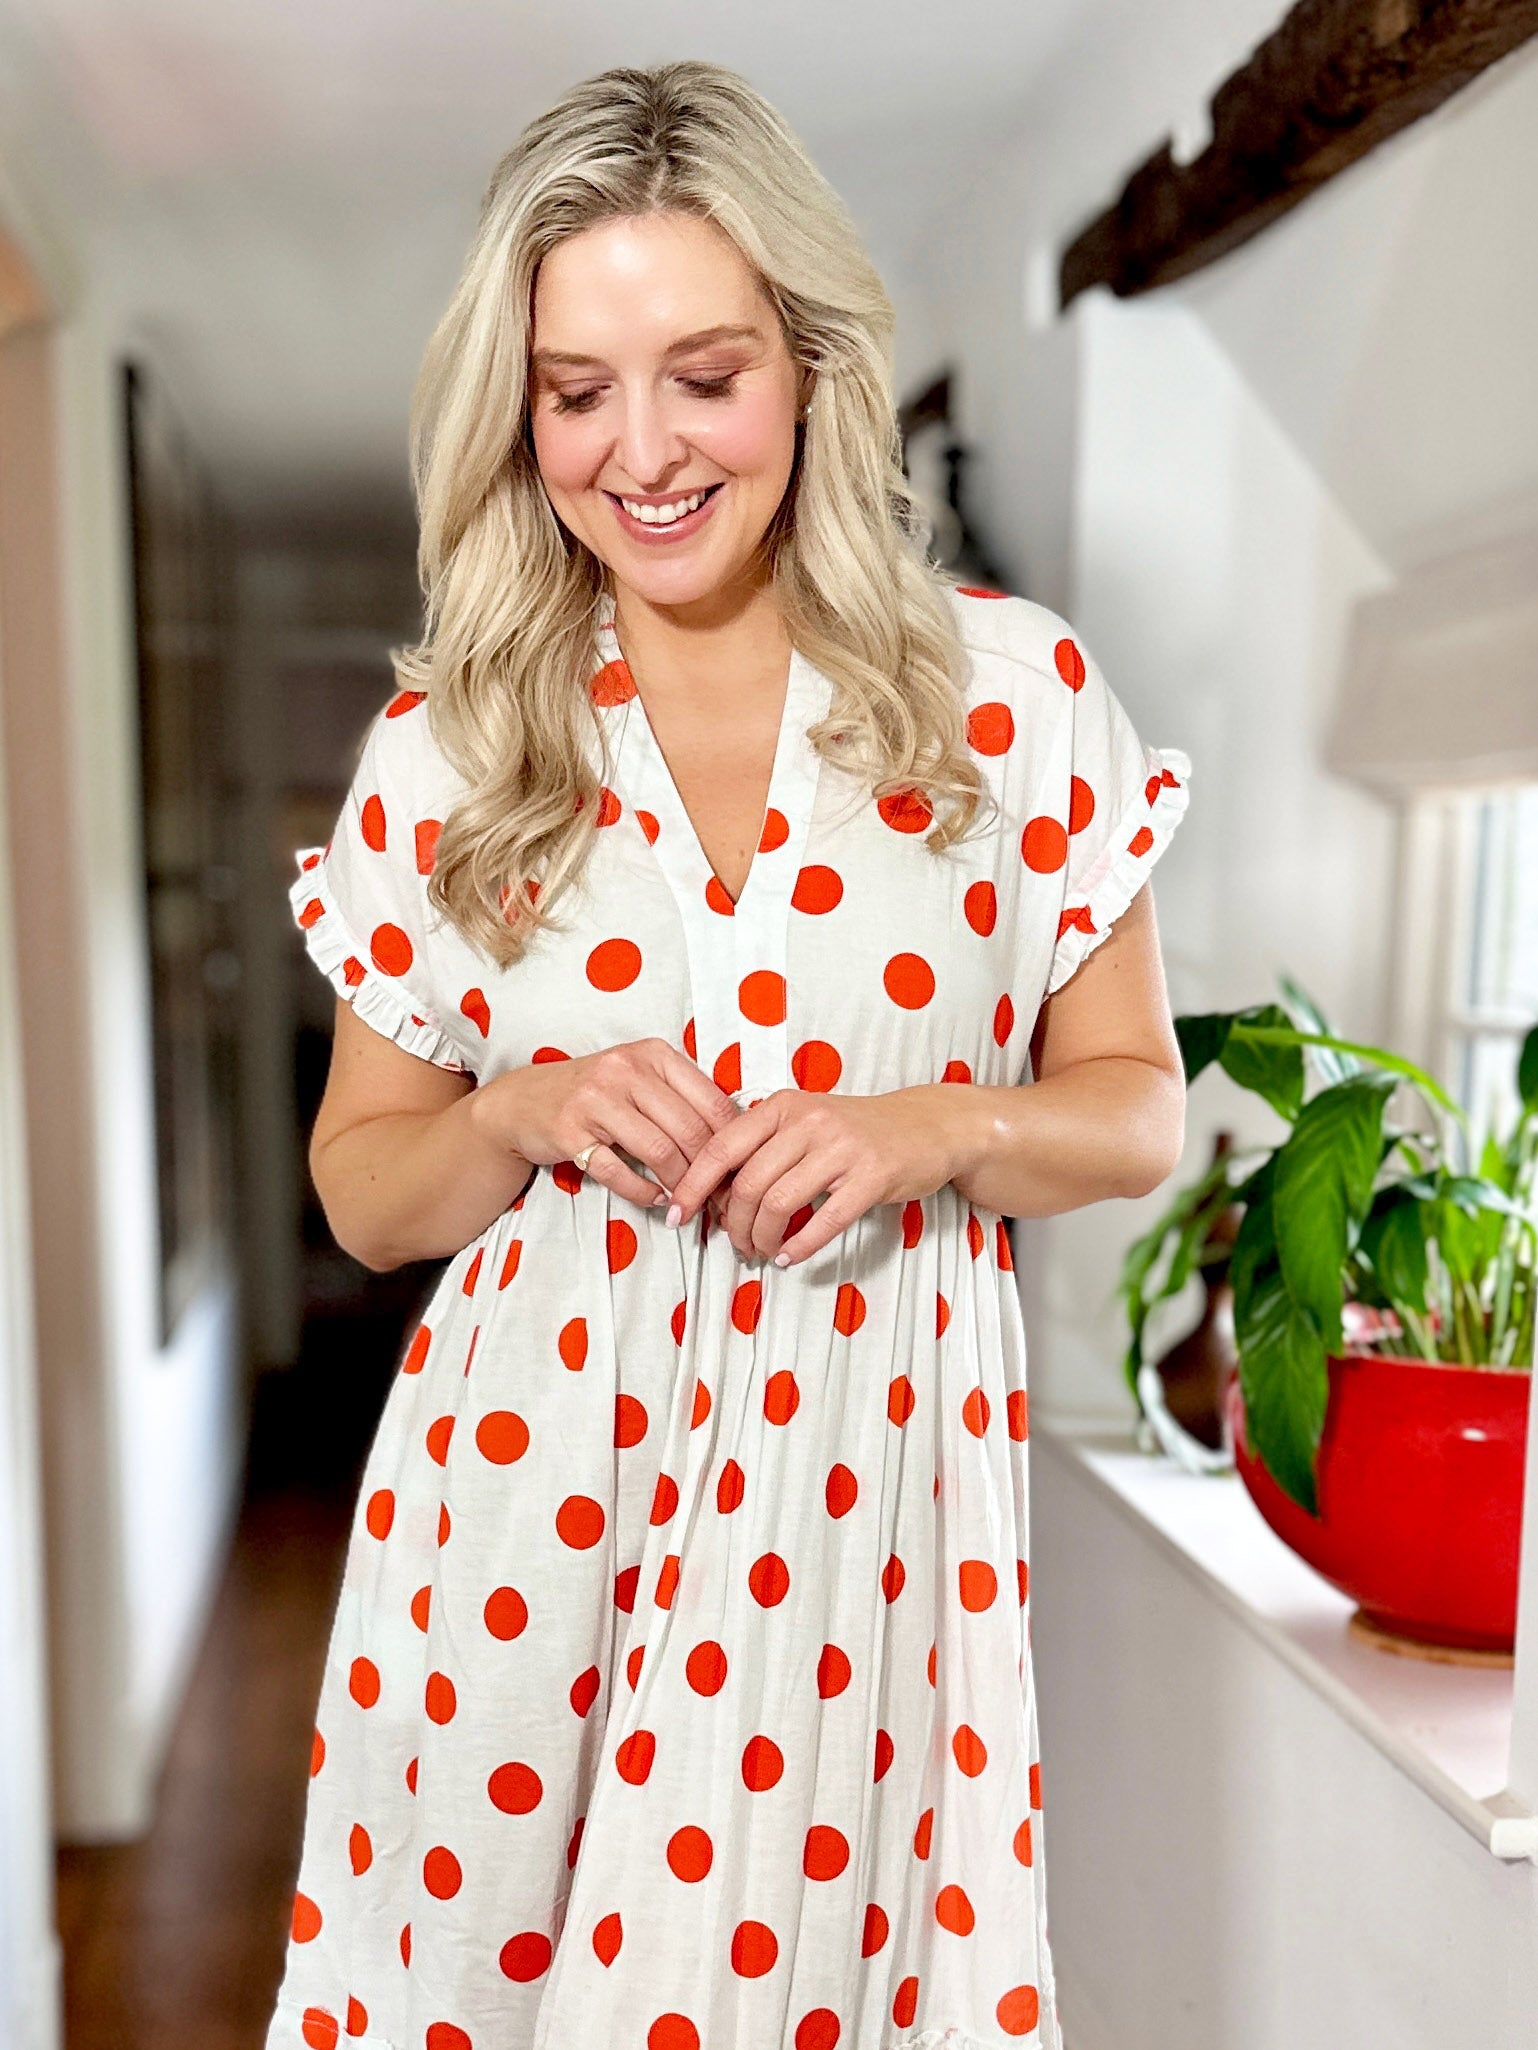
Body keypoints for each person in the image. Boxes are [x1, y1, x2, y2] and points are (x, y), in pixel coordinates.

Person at [264, 58, 1191, 2050]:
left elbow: (1137, 1107)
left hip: (862, 1538)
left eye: (705, 370)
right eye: (576, 387)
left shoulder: (1008, 702)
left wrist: (933, 1117)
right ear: (514, 414)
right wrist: (510, 1110)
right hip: (517, 1535)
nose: (644, 447)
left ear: (808, 366)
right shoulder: (445, 754)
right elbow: (361, 1182)